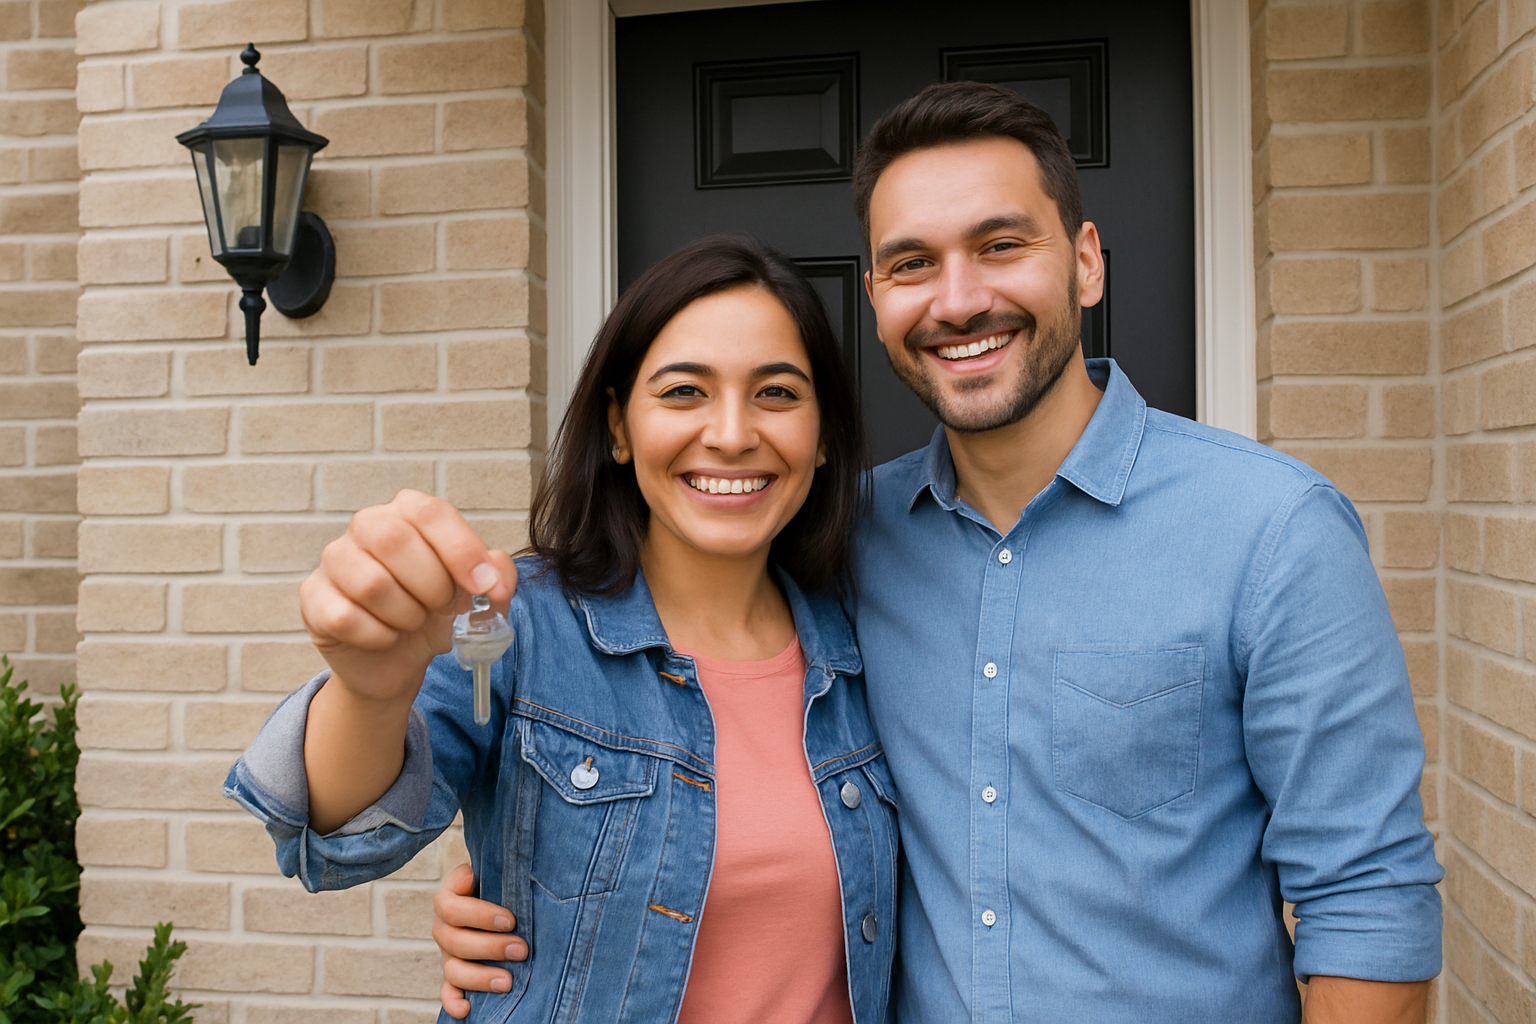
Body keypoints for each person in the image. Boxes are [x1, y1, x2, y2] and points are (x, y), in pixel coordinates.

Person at [430, 83, 1444, 1023]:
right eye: (913, 264)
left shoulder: (1272, 528)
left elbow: (1369, 897)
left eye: (1000, 245)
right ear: (876, 295)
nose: (957, 301)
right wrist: (532, 871)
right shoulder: (838, 541)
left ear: (1086, 261)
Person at [225, 236, 899, 1024]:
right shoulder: (519, 627)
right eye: (684, 391)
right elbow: (339, 841)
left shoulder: (868, 637)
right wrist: (371, 690)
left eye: (777, 393)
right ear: (618, 427)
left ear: (823, 436)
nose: (730, 432)